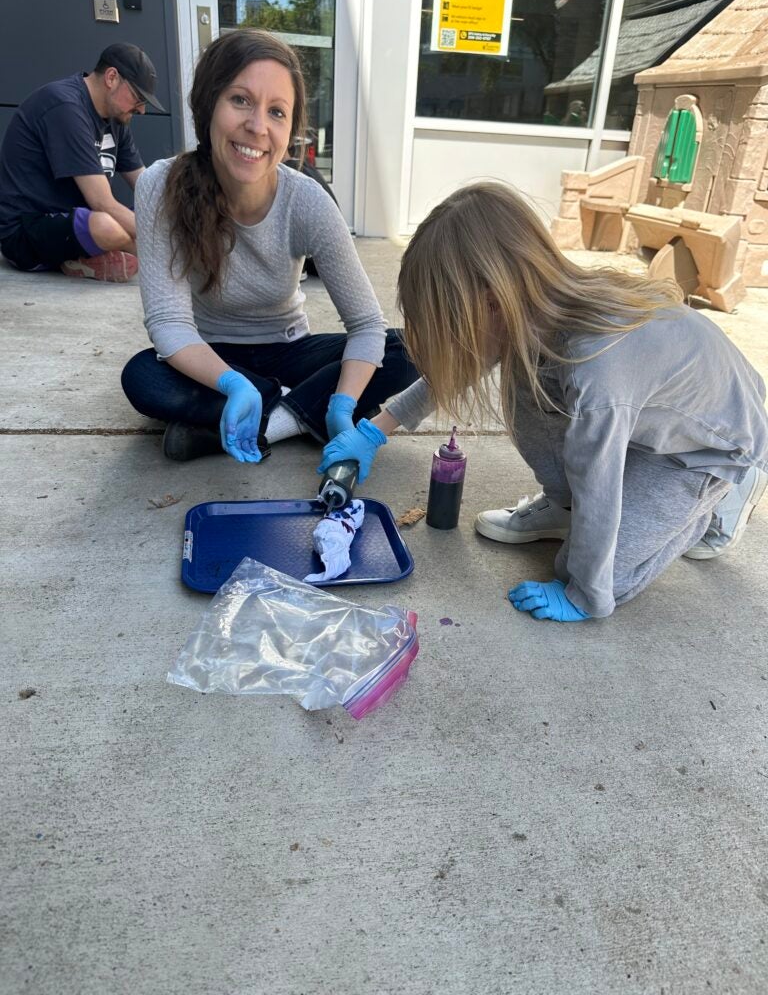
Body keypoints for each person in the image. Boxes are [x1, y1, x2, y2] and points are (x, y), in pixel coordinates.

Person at [318, 182, 768, 621]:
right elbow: (462, 370)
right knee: (523, 375)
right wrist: (373, 431)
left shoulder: (597, 371)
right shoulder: (532, 313)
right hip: (647, 417)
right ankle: (563, 505)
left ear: (492, 302)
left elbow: (599, 485)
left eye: (452, 327)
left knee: (592, 575)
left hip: (708, 448)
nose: (453, 345)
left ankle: (719, 499)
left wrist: (585, 595)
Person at [121, 30, 418, 463]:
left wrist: (342, 404)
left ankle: (262, 425)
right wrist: (233, 383)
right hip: (211, 357)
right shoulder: (159, 186)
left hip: (291, 349)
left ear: (290, 130)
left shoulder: (307, 200)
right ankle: (299, 408)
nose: (258, 126)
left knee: (411, 349)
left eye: (276, 112)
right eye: (240, 100)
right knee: (143, 378)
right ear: (208, 104)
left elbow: (367, 325)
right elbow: (169, 324)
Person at [0, 43, 164, 283]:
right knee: (107, 226)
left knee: (153, 216)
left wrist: (176, 222)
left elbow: (148, 187)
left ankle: (86, 259)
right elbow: (102, 203)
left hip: (78, 221)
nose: (141, 110)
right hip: (26, 232)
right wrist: (169, 249)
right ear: (111, 78)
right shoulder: (65, 107)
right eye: (138, 98)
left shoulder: (116, 118)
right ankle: (149, 258)